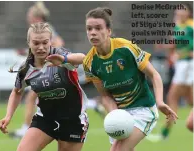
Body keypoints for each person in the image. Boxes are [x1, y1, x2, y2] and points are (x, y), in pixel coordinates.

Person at [83, 7, 178, 151]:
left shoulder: (126, 48)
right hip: (120, 113)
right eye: (89, 29)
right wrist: (115, 115)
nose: (93, 33)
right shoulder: (89, 62)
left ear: (108, 31)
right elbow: (105, 96)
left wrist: (160, 102)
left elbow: (154, 75)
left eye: (98, 28)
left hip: (143, 109)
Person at [0, 22, 89, 151]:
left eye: (45, 42)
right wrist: (8, 116)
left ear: (50, 42)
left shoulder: (59, 55)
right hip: (45, 119)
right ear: (29, 43)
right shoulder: (26, 69)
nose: (41, 47)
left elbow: (83, 58)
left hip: (73, 120)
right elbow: (17, 92)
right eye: (36, 43)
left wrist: (64, 60)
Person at [9, 2, 65, 138]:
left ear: (36, 17)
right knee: (35, 97)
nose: (28, 17)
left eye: (30, 15)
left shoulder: (46, 29)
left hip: (49, 69)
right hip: (46, 69)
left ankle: (26, 128)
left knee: (31, 97)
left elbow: (59, 43)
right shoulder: (39, 30)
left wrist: (51, 56)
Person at [148, 3, 193, 141]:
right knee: (188, 99)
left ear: (188, 13)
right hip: (181, 65)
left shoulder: (191, 26)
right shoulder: (178, 27)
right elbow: (175, 45)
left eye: (181, 13)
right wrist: (165, 46)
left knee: (173, 97)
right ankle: (164, 134)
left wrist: (184, 53)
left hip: (188, 65)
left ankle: (164, 134)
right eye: (177, 14)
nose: (178, 16)